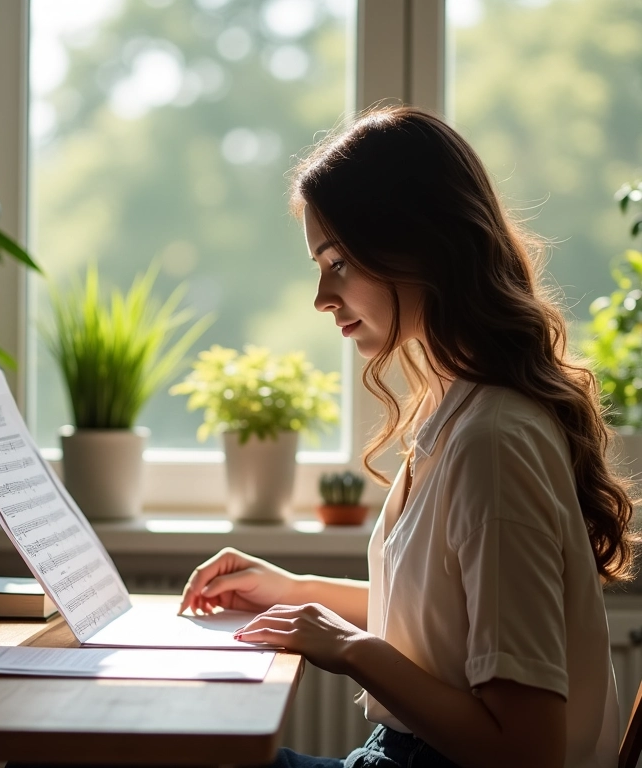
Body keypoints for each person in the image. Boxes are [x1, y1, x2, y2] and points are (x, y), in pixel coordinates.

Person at [177, 106, 637, 768]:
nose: (321, 296)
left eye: (337, 262)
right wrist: (290, 589)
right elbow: (443, 629)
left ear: (419, 245)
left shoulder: (495, 441)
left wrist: (350, 649)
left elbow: (527, 751)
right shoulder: (461, 409)